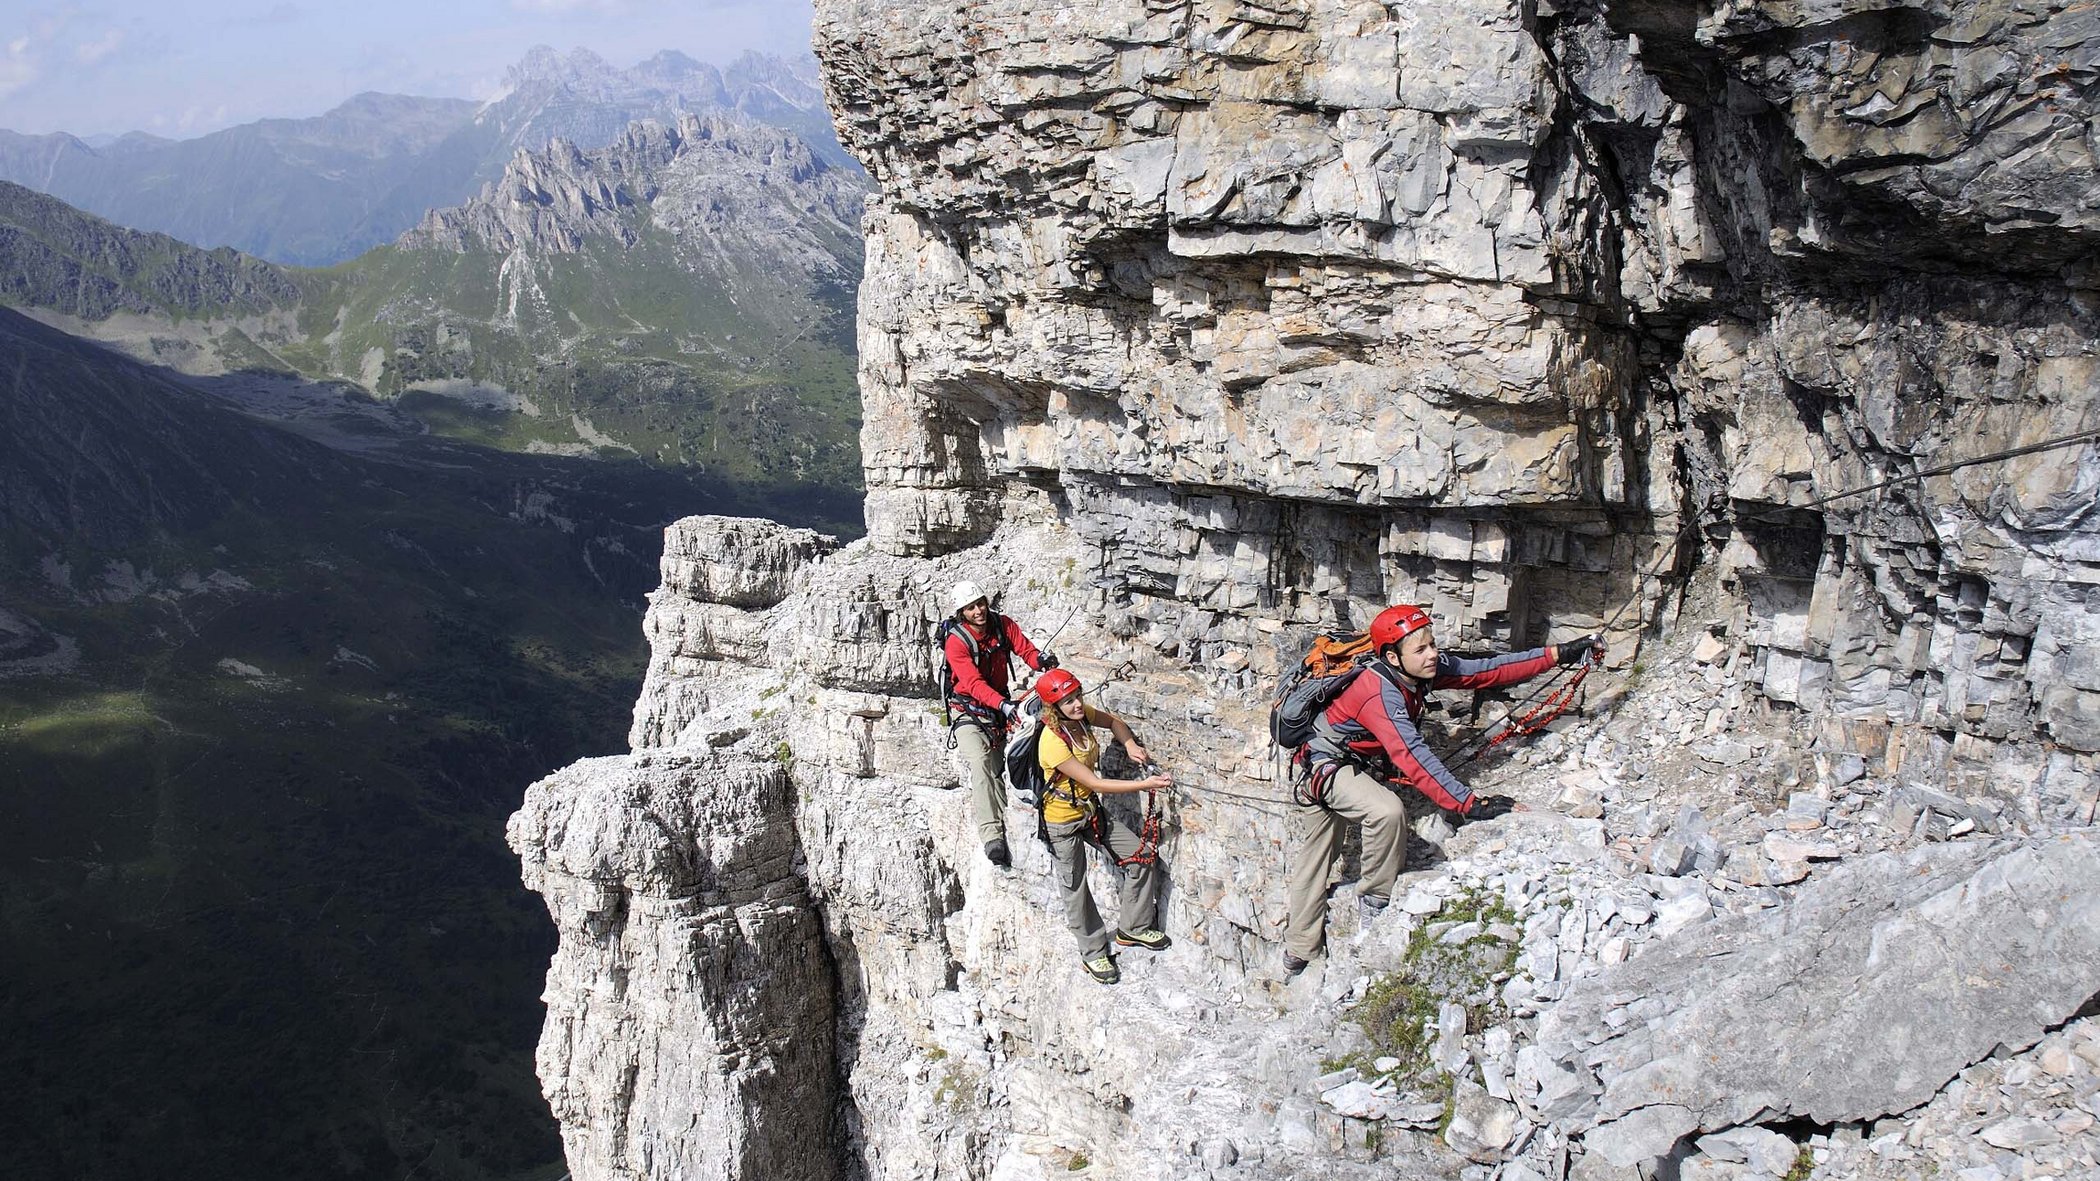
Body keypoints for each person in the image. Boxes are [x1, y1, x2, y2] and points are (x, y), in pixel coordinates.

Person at [1283, 605, 1604, 974]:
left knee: (1317, 854)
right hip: (1327, 766)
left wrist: (1557, 654)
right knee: (1384, 812)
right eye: (1420, 649)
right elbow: (1412, 757)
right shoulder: (1379, 692)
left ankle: (1299, 948)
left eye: (1432, 645)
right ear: (1392, 656)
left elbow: (1488, 671)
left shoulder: (1414, 671)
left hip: (1342, 760)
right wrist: (1470, 804)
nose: (1432, 654)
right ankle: (1368, 905)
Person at [1034, 668, 1174, 984]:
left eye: (1076, 697)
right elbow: (1095, 783)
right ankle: (1094, 952)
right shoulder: (1052, 742)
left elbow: (1113, 723)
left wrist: (1128, 744)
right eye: (1067, 701)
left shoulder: (1081, 718)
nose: (1076, 705)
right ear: (1053, 708)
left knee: (1143, 854)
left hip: (1089, 812)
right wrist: (1146, 784)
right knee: (1075, 888)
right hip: (1062, 822)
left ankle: (1133, 928)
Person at [942, 580, 1056, 867]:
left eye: (980, 603)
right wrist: (1004, 705)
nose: (979, 610)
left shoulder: (1002, 625)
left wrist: (1040, 661)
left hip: (999, 706)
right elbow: (973, 683)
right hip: (968, 710)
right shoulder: (957, 642)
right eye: (971, 607)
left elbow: (1024, 649)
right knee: (982, 762)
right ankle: (993, 836)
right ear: (961, 612)